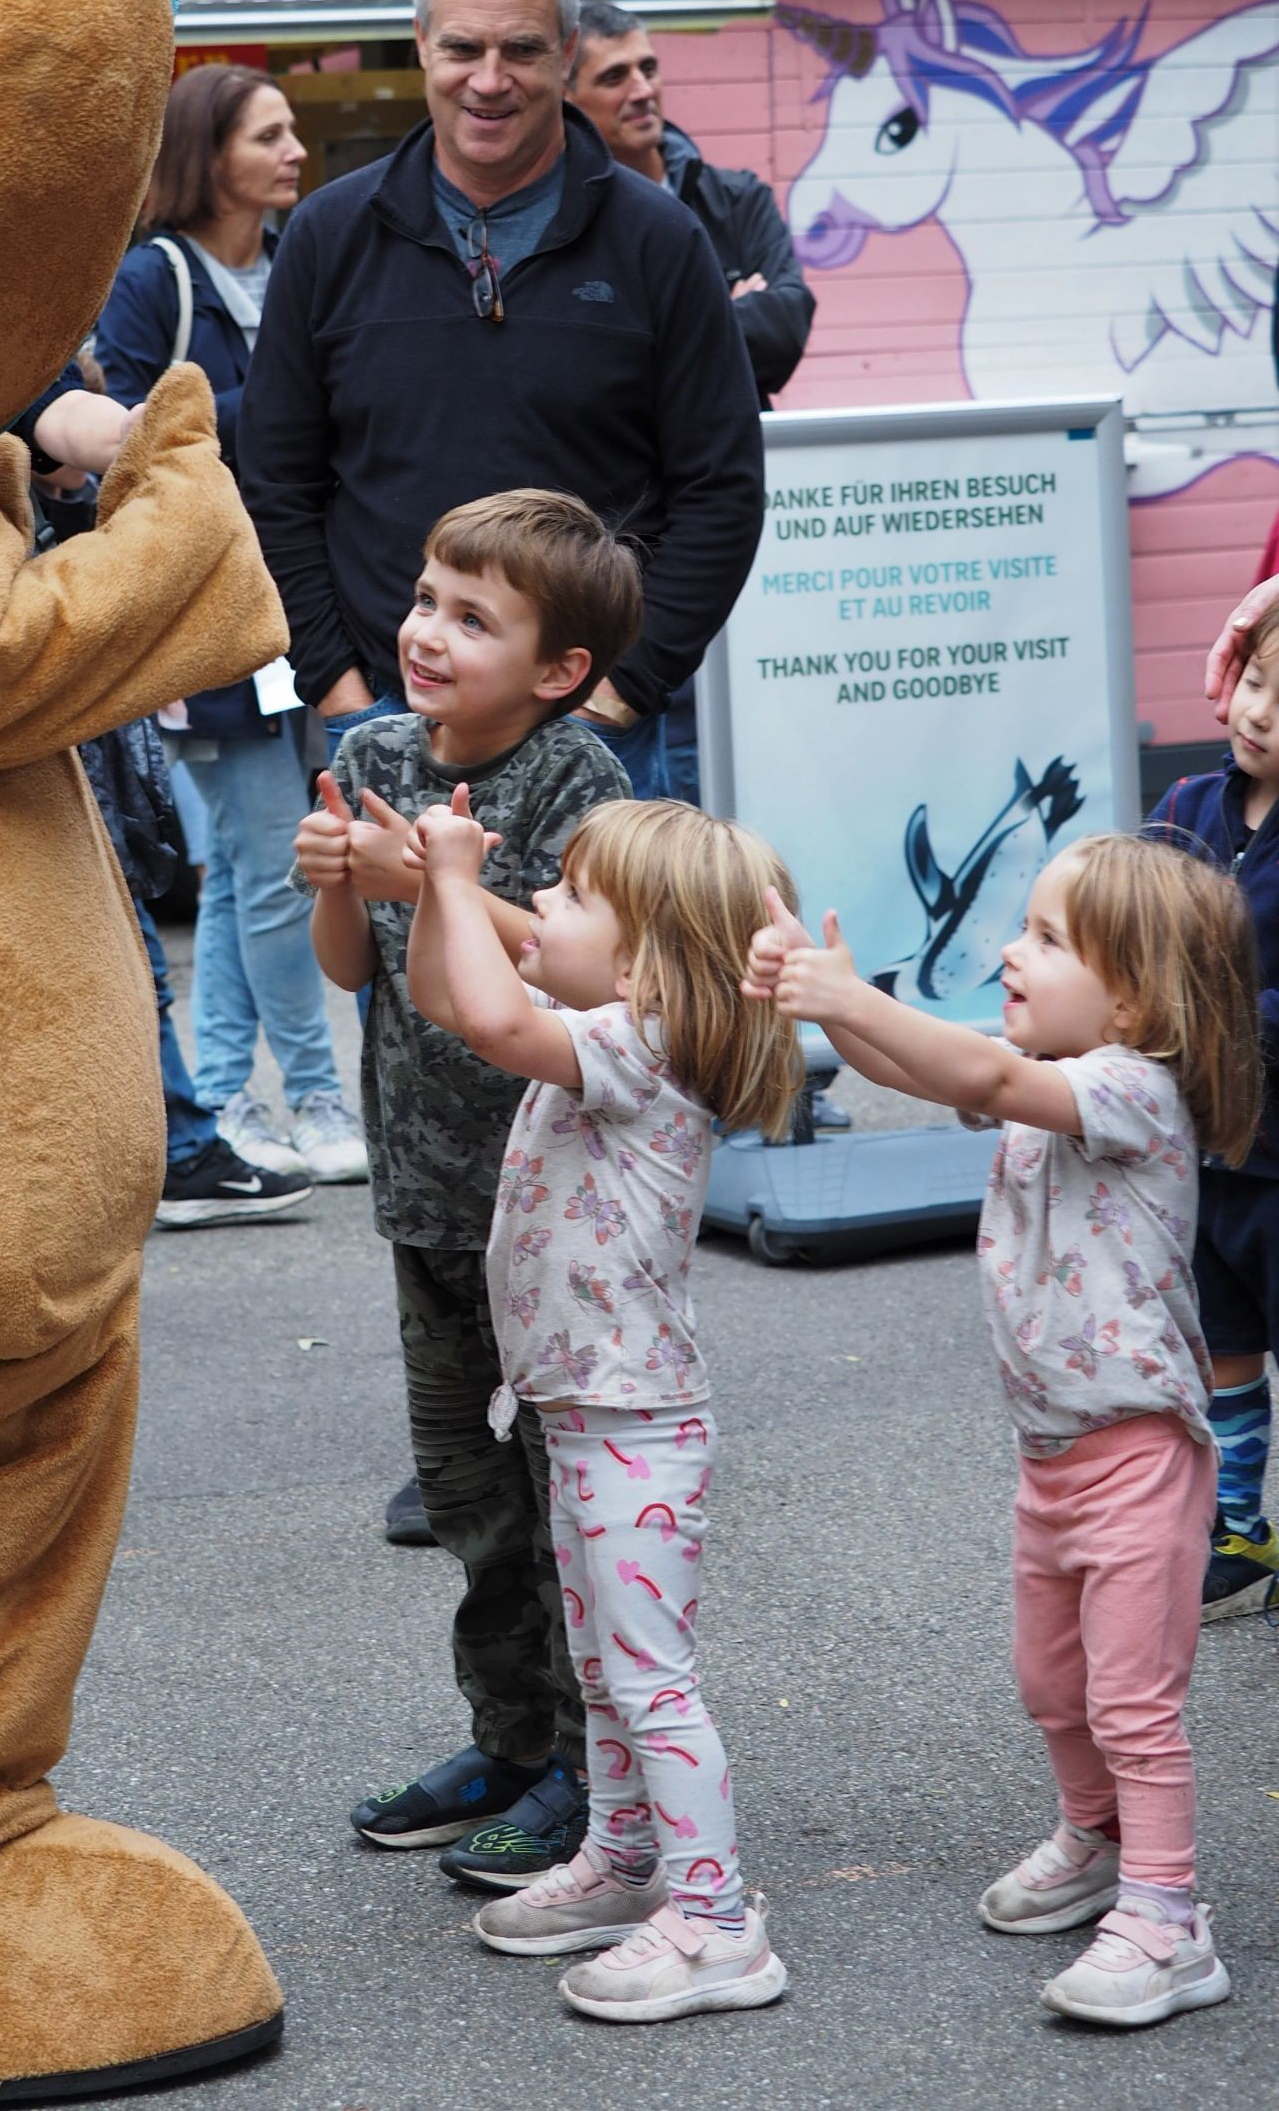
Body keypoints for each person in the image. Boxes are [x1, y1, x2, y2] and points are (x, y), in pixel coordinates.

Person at [242, 0, 766, 1539]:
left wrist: (620, 684)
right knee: (429, 1064)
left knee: (586, 1073)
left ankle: (593, 1399)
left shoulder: (654, 242)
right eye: (459, 48)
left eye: (522, 50)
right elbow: (275, 476)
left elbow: (716, 488)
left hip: (589, 730)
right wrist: (339, 681)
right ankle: (460, 1427)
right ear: (421, 51)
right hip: (389, 721)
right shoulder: (336, 237)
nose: (489, 79)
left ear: (564, 57)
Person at [747, 835, 1260, 2030]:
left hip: (1137, 1452)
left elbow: (974, 1076)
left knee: (1132, 1700)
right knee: (1050, 1681)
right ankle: (1092, 1839)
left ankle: (1167, 1917)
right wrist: (821, 998)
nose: (1005, 954)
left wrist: (851, 997)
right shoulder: (1052, 1075)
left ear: (1130, 996)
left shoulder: (1131, 1086)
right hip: (1052, 1455)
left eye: (1041, 939)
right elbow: (940, 1075)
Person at [404, 792, 800, 2023]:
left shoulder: (643, 1048)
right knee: (605, 1664)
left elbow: (483, 1010)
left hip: (634, 1423)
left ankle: (716, 1918)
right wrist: (431, 888)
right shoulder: (603, 1025)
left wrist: (461, 874)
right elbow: (438, 997)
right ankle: (628, 1862)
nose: (544, 908)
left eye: (572, 897)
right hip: (579, 1416)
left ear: (646, 959)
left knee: (649, 1675)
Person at [296, 488, 643, 1887]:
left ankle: (585, 1767)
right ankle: (505, 1744)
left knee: (564, 1499)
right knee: (470, 1501)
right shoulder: (375, 745)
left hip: (550, 1215)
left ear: (557, 668)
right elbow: (347, 967)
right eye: (429, 597)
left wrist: (433, 878)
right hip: (426, 1205)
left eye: (473, 616)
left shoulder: (580, 786)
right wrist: (343, 880)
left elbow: (596, 973)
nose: (429, 632)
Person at [93, 65, 366, 1188]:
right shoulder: (152, 275)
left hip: (300, 595)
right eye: (270, 134)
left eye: (294, 131)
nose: (295, 150)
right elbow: (138, 434)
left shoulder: (299, 259)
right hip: (207, 613)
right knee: (270, 866)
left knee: (262, 862)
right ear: (209, 155)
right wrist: (299, 405)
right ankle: (309, 1095)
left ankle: (224, 1095)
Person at [10, 356, 315, 1229]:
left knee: (198, 899)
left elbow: (65, 433)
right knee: (154, 927)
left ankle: (197, 1116)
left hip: (85, 715)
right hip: (43, 721)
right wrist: (132, 434)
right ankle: (182, 1136)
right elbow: (60, 418)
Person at [565, 0, 816, 813]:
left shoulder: (733, 195)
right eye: (613, 75)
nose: (641, 88)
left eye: (647, 66)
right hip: (632, 550)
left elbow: (788, 323)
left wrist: (664, 331)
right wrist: (720, 309)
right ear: (569, 97)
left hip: (727, 527)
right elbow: (588, 364)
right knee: (657, 799)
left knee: (753, 759)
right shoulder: (568, 219)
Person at [1148, 603, 1279, 1619]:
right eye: (1253, 681)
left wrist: (1218, 1017)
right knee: (1220, 1338)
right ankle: (1236, 1522)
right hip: (1201, 1142)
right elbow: (1133, 926)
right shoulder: (1186, 802)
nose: (1260, 712)